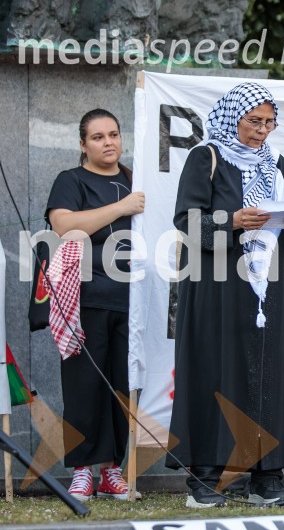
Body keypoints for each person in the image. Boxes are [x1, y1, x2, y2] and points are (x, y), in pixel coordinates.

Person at [165, 82, 284, 508]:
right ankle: (206, 479)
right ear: (234, 117)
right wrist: (233, 220)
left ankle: (268, 476)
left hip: (267, 289)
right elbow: (187, 223)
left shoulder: (277, 164)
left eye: (269, 123)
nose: (261, 131)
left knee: (268, 373)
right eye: (254, 121)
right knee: (216, 370)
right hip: (217, 288)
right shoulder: (205, 157)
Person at [47, 109, 145, 501]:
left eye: (114, 134)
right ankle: (83, 471)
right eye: (98, 137)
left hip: (132, 301)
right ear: (83, 144)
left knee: (122, 386)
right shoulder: (72, 180)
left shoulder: (134, 181)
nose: (108, 142)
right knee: (84, 386)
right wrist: (122, 208)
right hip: (84, 299)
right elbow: (63, 225)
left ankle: (111, 471)